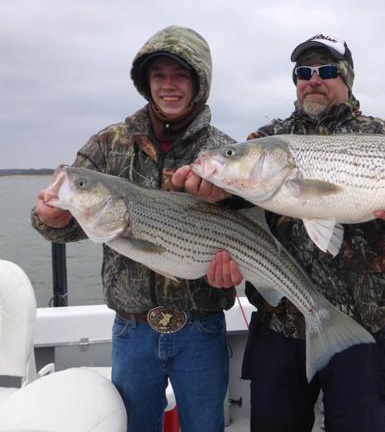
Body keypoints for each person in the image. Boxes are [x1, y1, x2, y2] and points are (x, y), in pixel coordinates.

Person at [175, 33, 385, 432]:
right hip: (280, 322)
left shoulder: (383, 135)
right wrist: (210, 192)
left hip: (361, 322)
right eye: (304, 71)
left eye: (327, 70)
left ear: (347, 79)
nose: (313, 79)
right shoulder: (266, 138)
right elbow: (235, 206)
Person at [32, 25, 236, 432]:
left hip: (201, 325)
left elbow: (247, 225)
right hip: (132, 329)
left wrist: (237, 267)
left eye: (180, 75)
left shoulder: (223, 153)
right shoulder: (110, 143)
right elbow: (75, 219)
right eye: (159, 76)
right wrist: (49, 219)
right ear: (146, 82)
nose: (169, 86)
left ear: (199, 83)